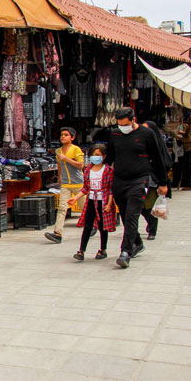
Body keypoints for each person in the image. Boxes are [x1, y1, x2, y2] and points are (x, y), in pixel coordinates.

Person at [106, 108, 168, 269]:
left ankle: (125, 252)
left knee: (132, 216)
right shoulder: (114, 134)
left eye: (125, 124)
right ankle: (138, 242)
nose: (123, 128)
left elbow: (158, 158)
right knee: (126, 214)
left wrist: (163, 182)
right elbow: (110, 157)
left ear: (133, 119)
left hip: (139, 180)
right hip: (119, 180)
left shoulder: (146, 134)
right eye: (120, 125)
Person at [66, 144, 115, 261]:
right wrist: (76, 198)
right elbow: (85, 188)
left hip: (103, 201)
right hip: (91, 201)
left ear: (104, 156)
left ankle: (103, 249)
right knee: (87, 226)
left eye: (98, 155)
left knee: (103, 226)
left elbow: (110, 189)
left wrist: (109, 204)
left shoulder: (108, 170)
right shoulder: (87, 170)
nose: (95, 157)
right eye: (93, 155)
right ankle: (81, 250)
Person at [44, 127, 85, 244]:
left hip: (78, 183)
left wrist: (66, 158)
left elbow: (81, 165)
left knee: (84, 208)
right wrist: (60, 177)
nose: (63, 137)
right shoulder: (58, 151)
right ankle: (57, 233)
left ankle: (92, 225)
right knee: (62, 208)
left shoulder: (76, 150)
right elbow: (59, 165)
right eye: (62, 135)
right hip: (66, 184)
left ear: (72, 137)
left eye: (66, 135)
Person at [140, 121, 173, 241]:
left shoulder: (158, 146)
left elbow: (165, 164)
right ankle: (150, 224)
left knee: (149, 206)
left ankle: (152, 230)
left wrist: (162, 183)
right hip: (140, 180)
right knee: (139, 207)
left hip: (153, 181)